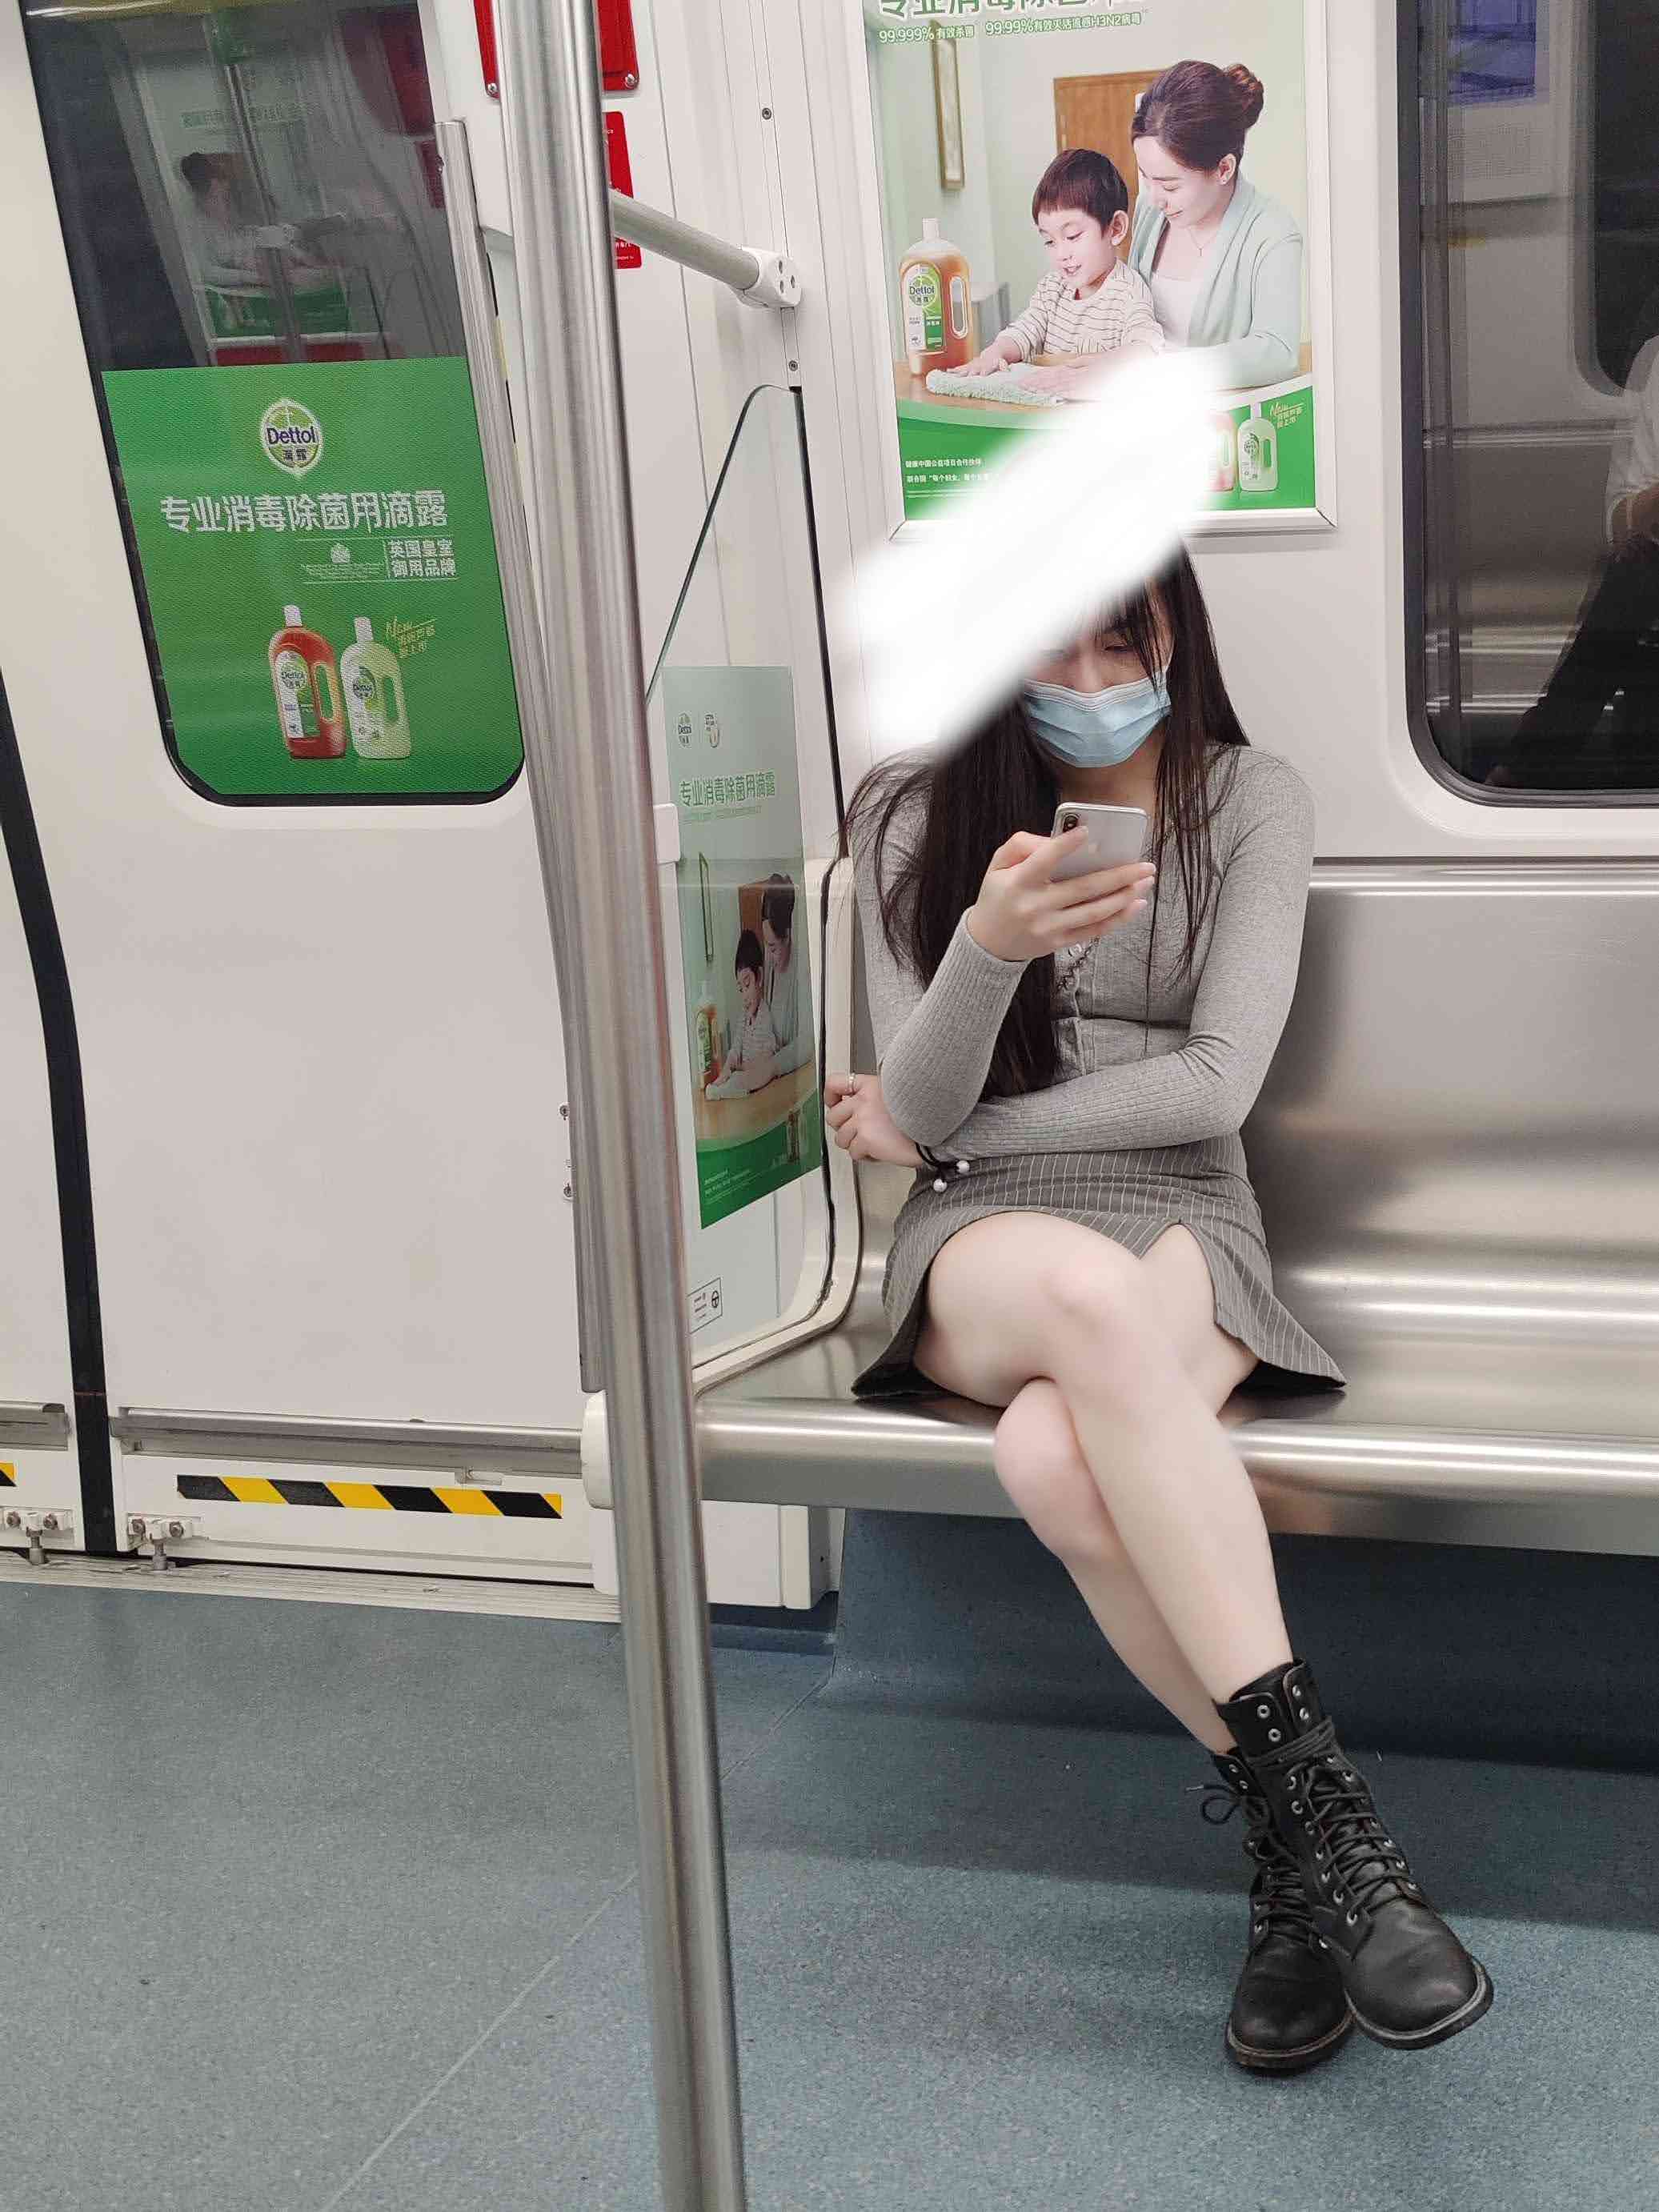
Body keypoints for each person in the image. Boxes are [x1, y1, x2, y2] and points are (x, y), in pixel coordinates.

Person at [827, 549, 1493, 2072]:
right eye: (1046, 651)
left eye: (1119, 645)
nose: (1087, 685)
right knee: (1079, 1293)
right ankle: (1344, 1840)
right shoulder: (913, 816)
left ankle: (1293, 1868)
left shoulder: (1249, 799)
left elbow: (1212, 1086)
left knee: (1049, 1453)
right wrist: (989, 948)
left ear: (1173, 635)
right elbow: (924, 1087)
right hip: (986, 1236)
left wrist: (948, 1129)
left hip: (1188, 1202)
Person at [1486, 335, 1659, 787]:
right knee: (1636, 572)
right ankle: (1527, 765)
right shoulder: (1656, 359)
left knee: (1633, 586)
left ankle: (1524, 768)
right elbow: (1621, 524)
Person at [1128, 62, 1304, 391]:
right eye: (1145, 177)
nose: (1154, 198)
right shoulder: (1149, 211)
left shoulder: (1272, 232)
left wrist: (1164, 371)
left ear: (1224, 169)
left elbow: (1278, 351)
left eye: (1169, 186)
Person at [959, 150, 1164, 399]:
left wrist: (1106, 366)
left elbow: (1146, 346)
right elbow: (1025, 330)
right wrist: (996, 352)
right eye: (1050, 241)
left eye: (1072, 236)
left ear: (1116, 228)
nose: (1061, 254)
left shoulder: (1128, 291)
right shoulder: (1052, 288)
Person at [707, 931, 779, 1100]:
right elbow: (735, 1049)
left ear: (759, 977)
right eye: (741, 989)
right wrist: (727, 1069)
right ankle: (720, 1089)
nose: (744, 996)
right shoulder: (744, 1017)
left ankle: (720, 1092)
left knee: (739, 1078)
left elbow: (769, 1053)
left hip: (759, 1082)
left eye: (747, 985)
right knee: (732, 1078)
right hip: (744, 1082)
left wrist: (742, 1067)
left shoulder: (765, 1015)